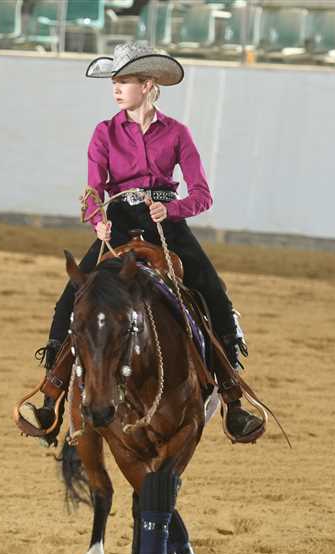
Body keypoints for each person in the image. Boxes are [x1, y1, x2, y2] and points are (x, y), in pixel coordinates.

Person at [27, 41, 263, 443]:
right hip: (118, 221)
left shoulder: (178, 134)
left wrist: (171, 210)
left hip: (165, 224)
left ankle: (233, 399)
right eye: (114, 82)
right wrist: (98, 222)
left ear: (149, 85)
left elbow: (202, 195)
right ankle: (51, 396)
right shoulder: (104, 132)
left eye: (124, 81)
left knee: (213, 292)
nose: (116, 89)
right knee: (74, 295)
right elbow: (92, 190)